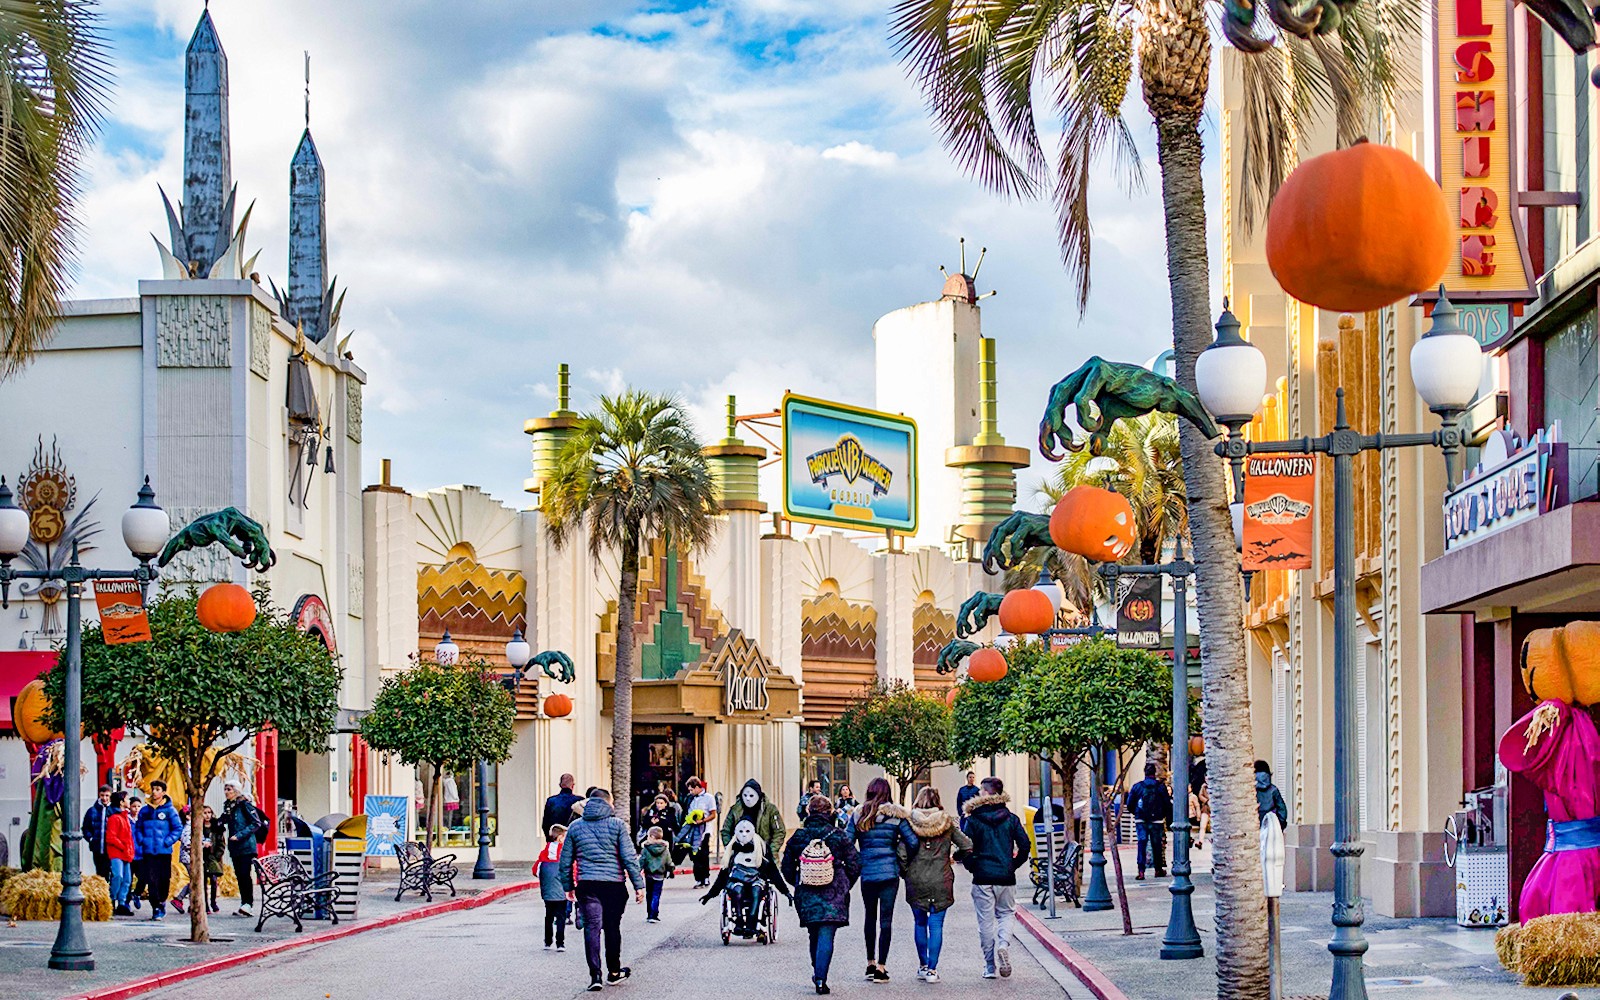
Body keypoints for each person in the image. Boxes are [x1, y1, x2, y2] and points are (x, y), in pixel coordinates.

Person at [558, 789, 645, 992]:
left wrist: (568, 886)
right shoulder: (617, 825)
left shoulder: (575, 827)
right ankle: (614, 972)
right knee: (612, 927)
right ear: (608, 803)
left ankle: (595, 976)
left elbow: (565, 860)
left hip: (587, 884)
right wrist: (638, 885)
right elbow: (629, 857)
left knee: (592, 928)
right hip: (614, 885)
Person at [781, 794, 862, 995]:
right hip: (834, 892)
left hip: (807, 892)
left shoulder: (799, 836)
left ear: (808, 812)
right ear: (830, 813)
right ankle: (821, 978)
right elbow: (855, 863)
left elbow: (786, 866)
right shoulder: (839, 835)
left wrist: (798, 882)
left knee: (813, 932)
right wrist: (844, 883)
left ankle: (817, 969)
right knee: (827, 933)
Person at [846, 777, 917, 983]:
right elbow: (913, 842)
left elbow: (847, 842)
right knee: (886, 920)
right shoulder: (896, 816)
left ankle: (870, 962)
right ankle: (881, 967)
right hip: (889, 874)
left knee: (869, 917)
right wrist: (900, 857)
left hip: (867, 873)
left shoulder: (859, 814)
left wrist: (859, 860)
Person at [962, 776, 1029, 979]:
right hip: (1005, 876)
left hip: (982, 876)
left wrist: (972, 866)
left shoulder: (973, 819)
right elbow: (1025, 845)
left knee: (985, 922)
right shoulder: (1011, 818)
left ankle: (990, 966)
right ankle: (1003, 945)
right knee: (1006, 914)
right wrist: (1012, 865)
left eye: (981, 790)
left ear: (985, 792)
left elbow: (965, 847)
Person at [905, 787, 971, 984]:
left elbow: (901, 852)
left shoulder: (910, 823)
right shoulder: (946, 823)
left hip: (916, 878)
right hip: (941, 878)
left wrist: (906, 872)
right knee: (936, 925)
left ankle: (923, 965)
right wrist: (953, 857)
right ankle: (932, 970)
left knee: (919, 923)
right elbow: (967, 845)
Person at [699, 818, 791, 936]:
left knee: (756, 890)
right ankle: (739, 921)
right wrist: (710, 894)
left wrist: (785, 891)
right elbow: (723, 874)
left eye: (747, 831)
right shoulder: (732, 848)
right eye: (741, 831)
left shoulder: (762, 847)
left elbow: (772, 871)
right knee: (737, 889)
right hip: (737, 880)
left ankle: (752, 923)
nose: (744, 835)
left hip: (757, 880)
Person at [135, 779, 184, 920]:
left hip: (164, 852)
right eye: (153, 789)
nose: (154, 792)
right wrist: (142, 840)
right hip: (148, 851)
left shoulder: (170, 810)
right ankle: (155, 907)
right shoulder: (145, 811)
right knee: (152, 880)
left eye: (158, 789)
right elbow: (138, 828)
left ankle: (162, 901)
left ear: (163, 792)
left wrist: (167, 841)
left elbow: (177, 828)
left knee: (164, 879)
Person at [220, 780, 267, 917]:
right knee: (239, 875)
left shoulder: (244, 805)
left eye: (229, 789)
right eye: (225, 789)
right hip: (235, 846)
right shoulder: (229, 806)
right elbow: (224, 820)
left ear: (236, 791)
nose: (226, 792)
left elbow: (256, 823)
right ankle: (243, 903)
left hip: (246, 846)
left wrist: (240, 835)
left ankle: (248, 904)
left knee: (245, 874)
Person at [1127, 763, 1171, 880]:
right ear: (1154, 772)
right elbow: (1167, 804)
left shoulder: (1137, 786)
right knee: (1157, 845)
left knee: (1142, 843)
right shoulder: (1160, 787)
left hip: (1141, 819)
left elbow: (1129, 803)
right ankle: (1158, 869)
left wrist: (1137, 813)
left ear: (1144, 772)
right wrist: (1163, 815)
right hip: (1157, 820)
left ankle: (1141, 871)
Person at [723, 778, 786, 859]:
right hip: (740, 854)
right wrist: (731, 848)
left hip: (764, 854)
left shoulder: (770, 810)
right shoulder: (735, 810)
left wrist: (770, 851)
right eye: (745, 795)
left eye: (751, 795)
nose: (748, 799)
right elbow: (726, 831)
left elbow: (779, 832)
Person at [538, 823, 570, 951]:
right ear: (560, 838)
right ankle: (560, 943)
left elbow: (536, 870)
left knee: (549, 915)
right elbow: (571, 869)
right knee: (561, 916)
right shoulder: (565, 852)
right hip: (561, 890)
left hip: (548, 890)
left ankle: (547, 941)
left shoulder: (544, 852)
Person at [105, 791, 135, 916]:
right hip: (117, 852)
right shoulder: (115, 818)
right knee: (118, 876)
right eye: (127, 799)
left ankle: (121, 903)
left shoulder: (124, 817)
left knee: (127, 879)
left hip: (125, 852)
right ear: (121, 802)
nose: (129, 801)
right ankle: (112, 899)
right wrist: (124, 847)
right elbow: (110, 837)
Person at [685, 777, 718, 887]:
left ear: (697, 787)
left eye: (692, 790)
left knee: (703, 854)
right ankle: (698, 878)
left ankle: (705, 877)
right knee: (695, 854)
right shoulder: (691, 799)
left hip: (705, 829)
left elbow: (713, 814)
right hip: (693, 829)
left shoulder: (709, 798)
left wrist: (703, 821)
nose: (690, 792)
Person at [641, 826, 673, 923]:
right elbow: (669, 862)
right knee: (656, 894)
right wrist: (671, 869)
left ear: (651, 836)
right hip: (660, 875)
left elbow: (642, 860)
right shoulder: (665, 849)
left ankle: (649, 913)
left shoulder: (646, 848)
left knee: (649, 894)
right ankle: (654, 915)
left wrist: (638, 869)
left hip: (649, 874)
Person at [83, 785, 113, 879]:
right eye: (102, 795)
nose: (104, 798)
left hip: (110, 848)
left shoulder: (113, 810)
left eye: (107, 795)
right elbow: (85, 828)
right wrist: (91, 839)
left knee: (111, 871)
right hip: (97, 847)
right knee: (100, 871)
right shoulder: (92, 811)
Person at [543, 773, 584, 840]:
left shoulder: (551, 801)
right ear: (573, 785)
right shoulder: (580, 801)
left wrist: (550, 839)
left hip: (556, 839)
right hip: (574, 840)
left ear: (560, 785)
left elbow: (545, 824)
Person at [1256, 761, 1288, 829]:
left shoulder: (1250, 791)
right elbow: (1282, 809)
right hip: (1271, 825)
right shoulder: (1273, 790)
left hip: (1254, 825)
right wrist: (1280, 824)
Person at [127, 793, 145, 911]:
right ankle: (127, 901)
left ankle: (137, 893)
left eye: (138, 806)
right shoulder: (127, 819)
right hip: (130, 854)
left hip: (141, 853)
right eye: (134, 806)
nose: (136, 809)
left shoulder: (142, 820)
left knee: (143, 877)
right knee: (128, 880)